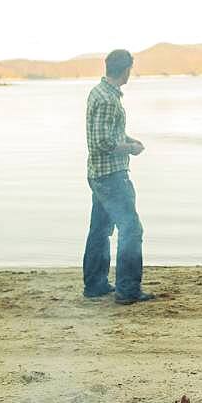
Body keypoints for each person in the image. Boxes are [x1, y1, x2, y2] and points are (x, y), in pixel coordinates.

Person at [82, 49, 155, 305]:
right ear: (125, 70)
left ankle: (95, 285)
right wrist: (131, 149)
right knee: (131, 229)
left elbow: (108, 134)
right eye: (130, 70)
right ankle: (127, 290)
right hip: (111, 176)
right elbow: (103, 142)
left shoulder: (99, 92)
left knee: (100, 230)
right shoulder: (108, 99)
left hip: (98, 173)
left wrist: (128, 138)